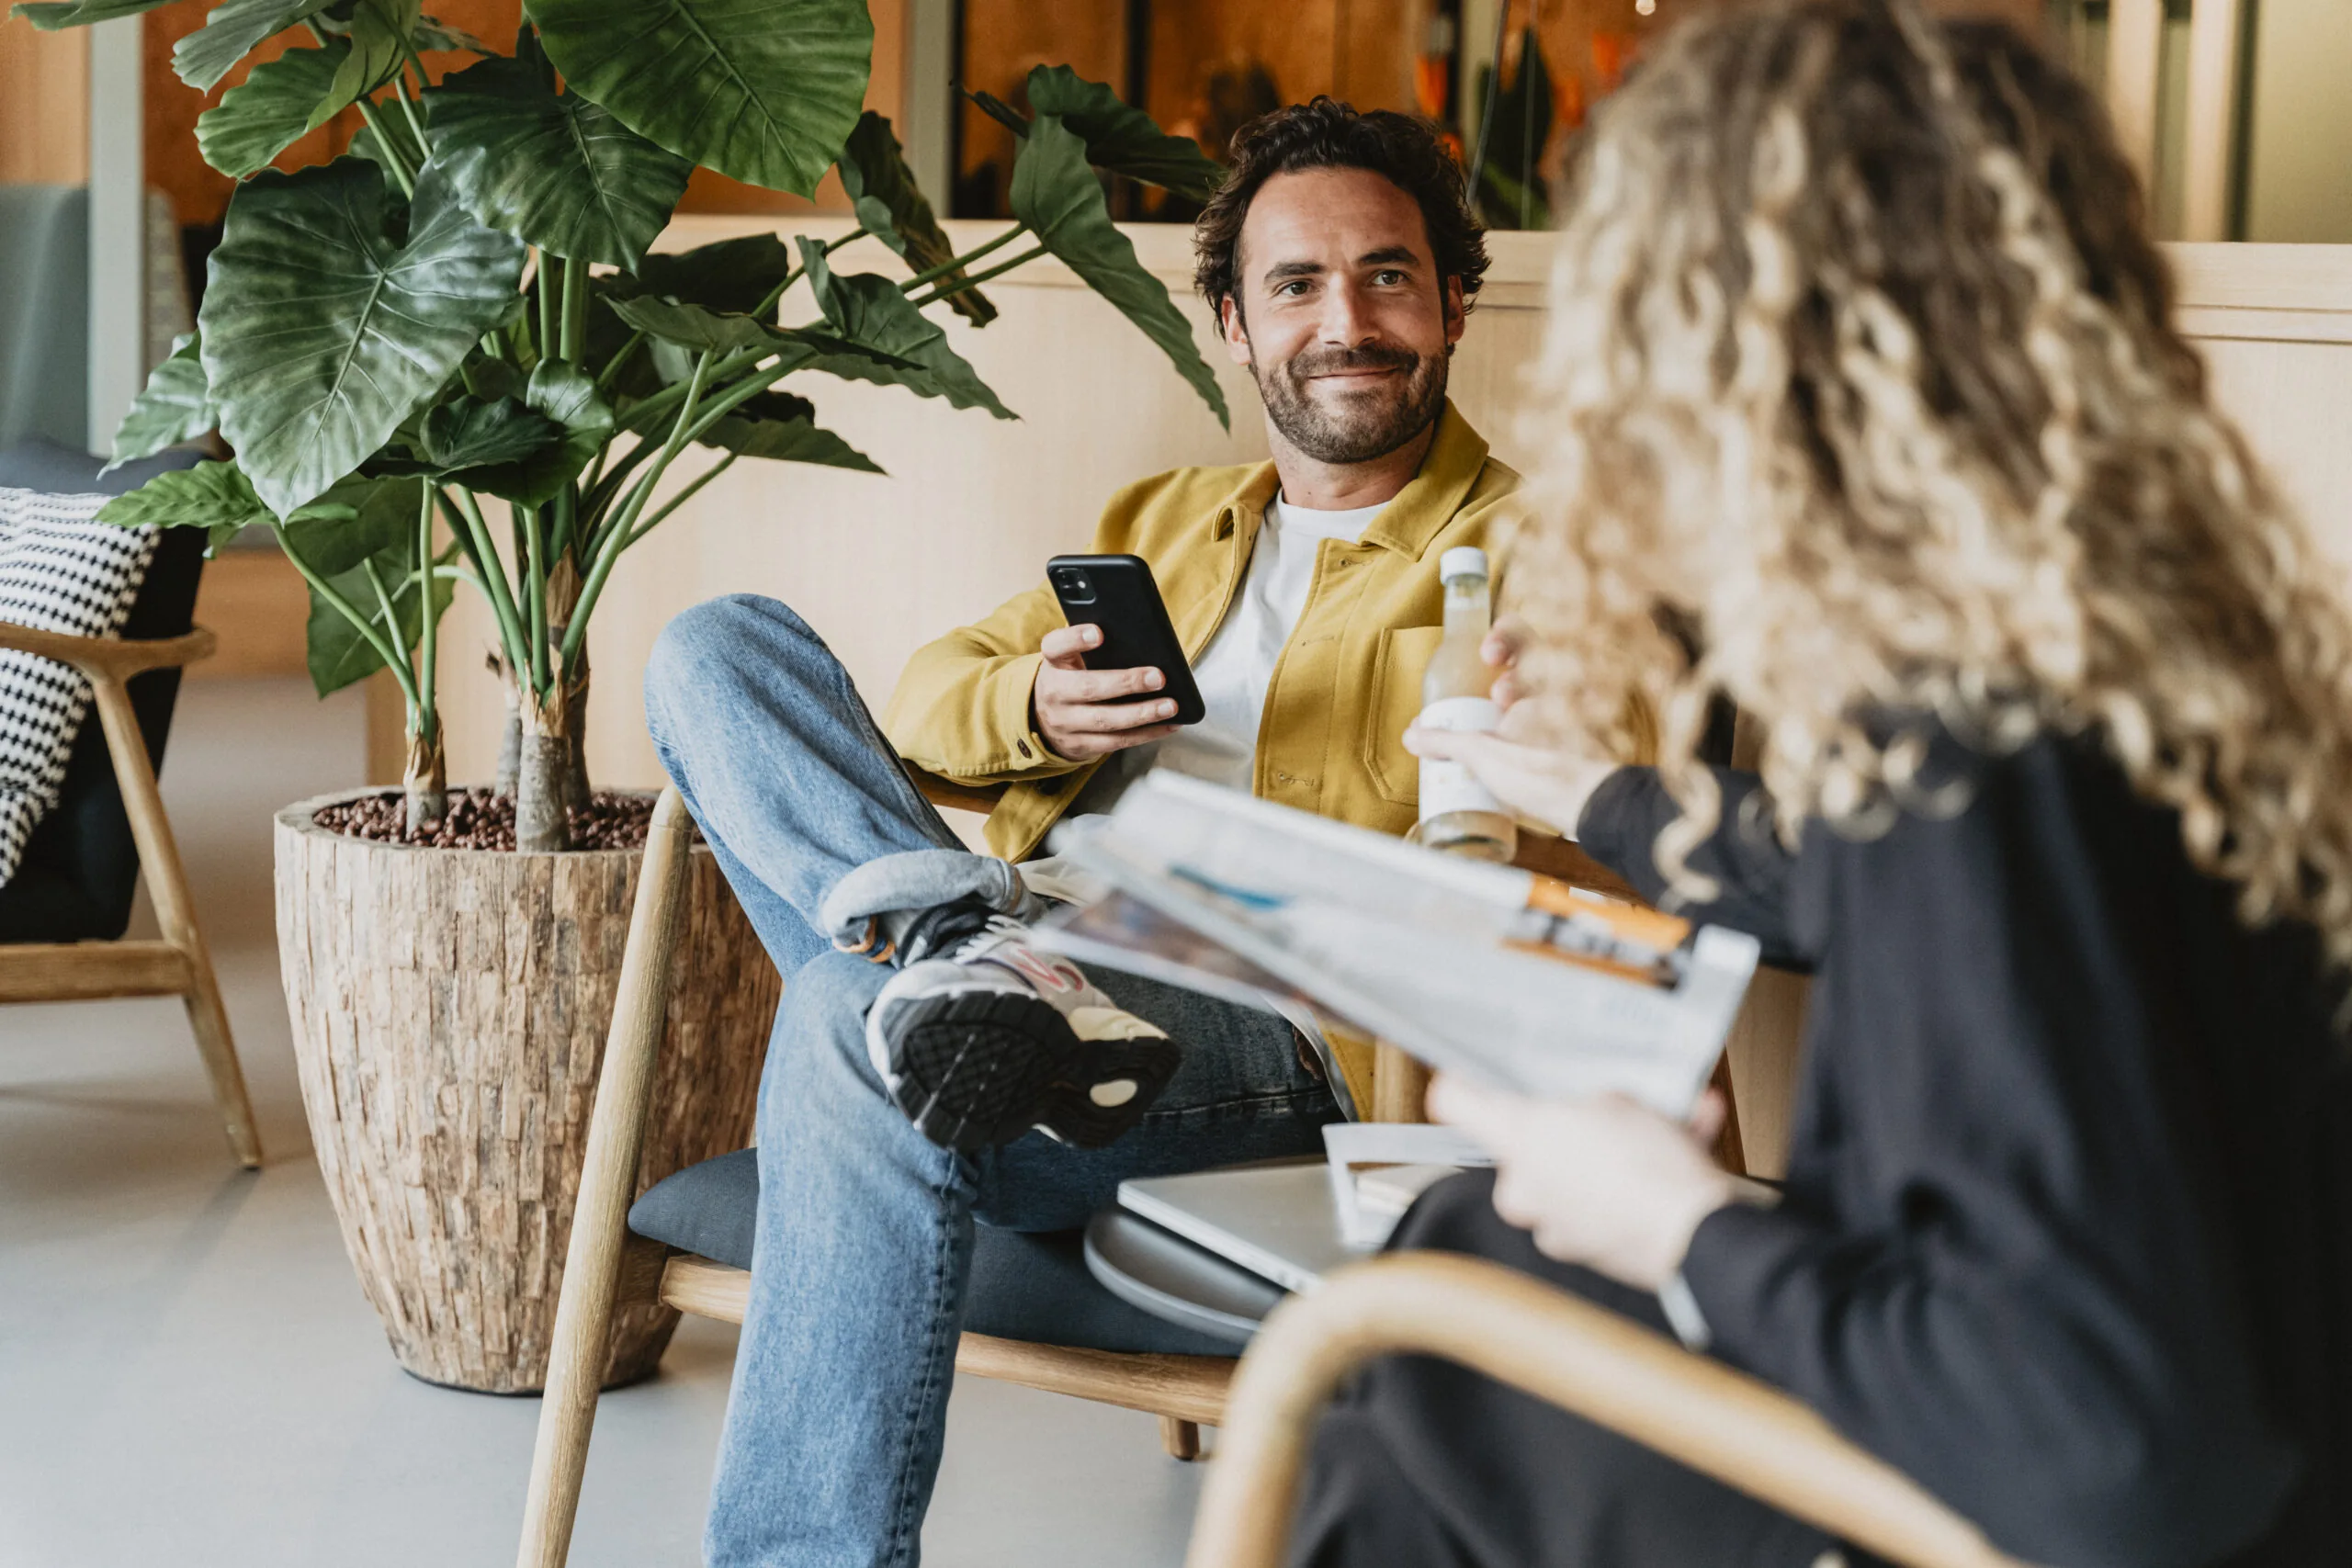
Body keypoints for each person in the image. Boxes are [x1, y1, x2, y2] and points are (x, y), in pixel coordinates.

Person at [1296, 5, 2350, 1567]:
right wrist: (1604, 797)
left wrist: (1680, 1216)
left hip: (2023, 1503)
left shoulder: (1963, 738)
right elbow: (1881, 880)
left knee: (1432, 1322)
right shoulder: (2141, 645)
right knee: (1465, 1250)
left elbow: (2113, 1460)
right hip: (2284, 1456)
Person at [644, 100, 1521, 1566]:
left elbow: (1595, 793)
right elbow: (931, 698)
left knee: (850, 1010)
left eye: (1387, 276)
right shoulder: (1166, 520)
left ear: (1453, 306)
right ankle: (961, 954)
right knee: (719, 646)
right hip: (1032, 952)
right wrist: (1037, 708)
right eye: (1296, 284)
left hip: (1260, 1040)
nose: (1345, 321)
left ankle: (951, 969)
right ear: (1236, 324)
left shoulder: (1533, 553)